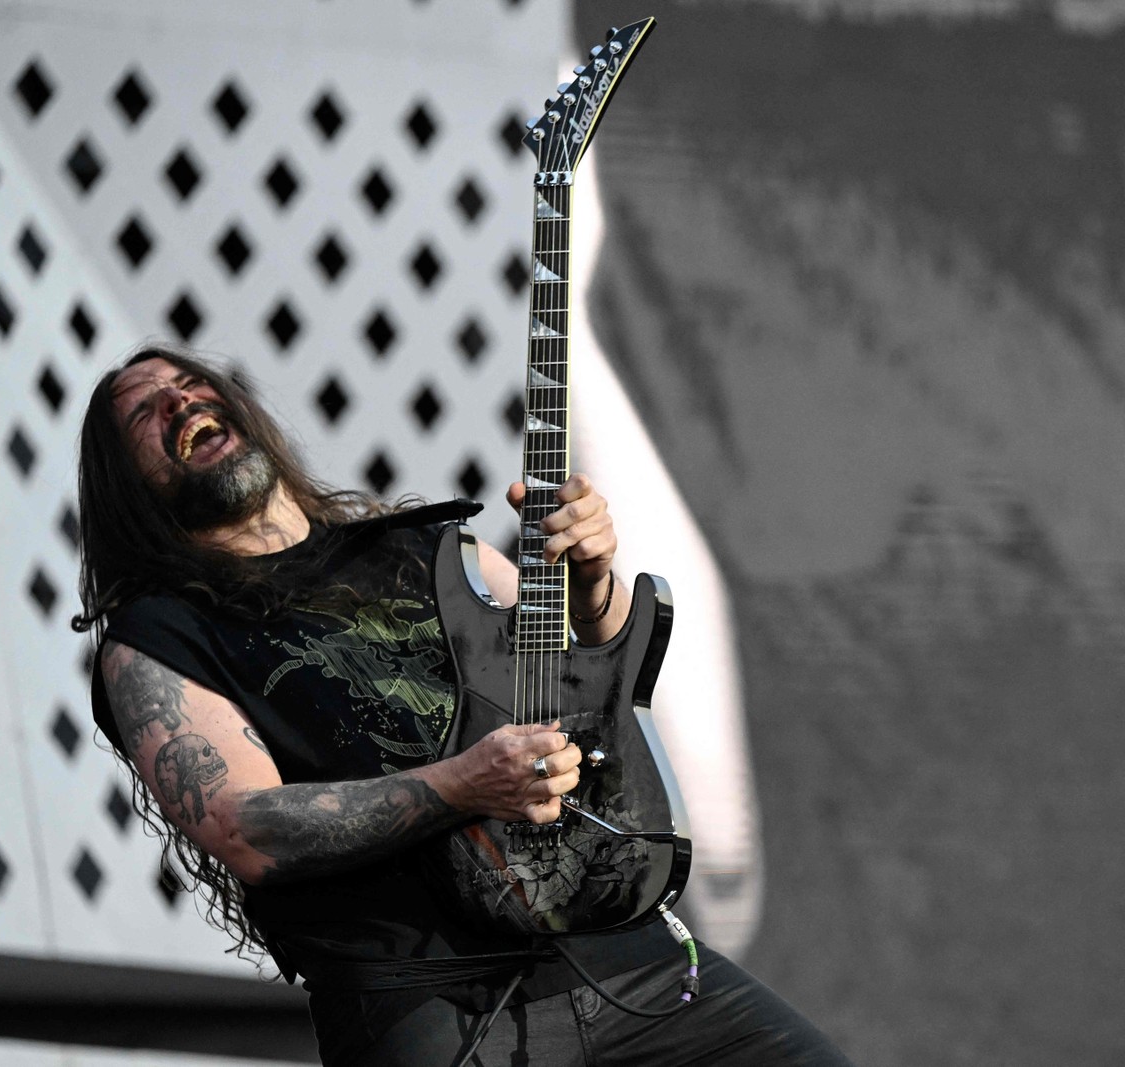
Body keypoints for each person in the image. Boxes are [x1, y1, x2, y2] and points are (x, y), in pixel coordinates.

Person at [73, 343, 851, 1065]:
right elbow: (246, 826)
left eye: (192, 384)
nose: (179, 402)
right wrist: (462, 783)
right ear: (126, 485)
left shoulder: (430, 549)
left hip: (622, 954)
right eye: (147, 410)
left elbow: (590, 680)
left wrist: (591, 584)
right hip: (433, 1008)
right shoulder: (156, 639)